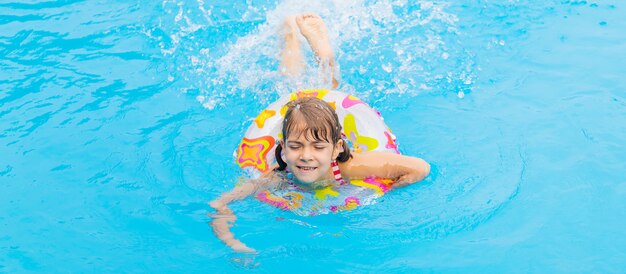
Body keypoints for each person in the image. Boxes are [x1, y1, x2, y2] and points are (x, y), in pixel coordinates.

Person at [208, 13, 430, 253]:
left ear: (336, 148)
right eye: (295, 146)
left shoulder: (353, 167)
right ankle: (289, 32)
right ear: (282, 147)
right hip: (306, 118)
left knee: (326, 88)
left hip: (334, 120)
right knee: (291, 86)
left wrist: (386, 188)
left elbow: (419, 168)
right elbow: (220, 203)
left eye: (318, 147)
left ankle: (323, 52)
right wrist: (233, 243)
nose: (306, 155)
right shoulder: (277, 175)